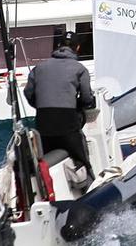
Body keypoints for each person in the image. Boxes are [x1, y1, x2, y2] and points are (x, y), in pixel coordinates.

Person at [23, 32, 96, 169]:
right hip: (67, 125)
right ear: (78, 48)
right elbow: (87, 99)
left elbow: (28, 93)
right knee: (82, 160)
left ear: (58, 46)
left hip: (43, 125)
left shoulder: (38, 68)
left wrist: (39, 105)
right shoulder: (80, 69)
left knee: (44, 162)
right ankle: (88, 183)